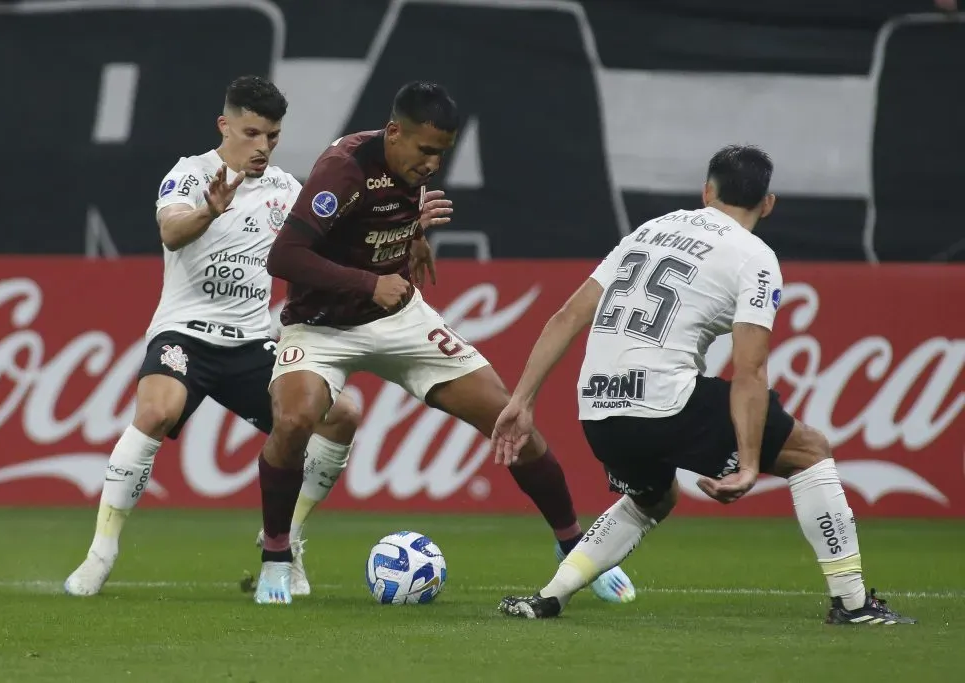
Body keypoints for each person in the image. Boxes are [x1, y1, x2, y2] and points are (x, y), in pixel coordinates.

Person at [492, 145, 916, 625]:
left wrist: (522, 400)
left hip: (597, 409)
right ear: (768, 203)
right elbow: (751, 371)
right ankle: (854, 604)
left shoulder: (650, 229)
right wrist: (750, 463)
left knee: (653, 498)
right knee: (810, 451)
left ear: (706, 192)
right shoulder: (755, 255)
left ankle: (550, 596)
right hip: (661, 402)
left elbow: (567, 316)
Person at [249, 80, 634, 605]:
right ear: (393, 133)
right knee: (295, 419)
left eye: (442, 153)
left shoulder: (408, 167)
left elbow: (378, 218)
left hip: (400, 317)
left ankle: (574, 548)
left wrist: (413, 238)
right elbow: (285, 256)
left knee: (507, 419)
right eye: (426, 150)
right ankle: (276, 554)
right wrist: (369, 282)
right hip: (320, 326)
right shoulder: (343, 169)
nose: (432, 164)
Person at [64, 75, 362, 597]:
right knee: (155, 412)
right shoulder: (190, 174)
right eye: (252, 133)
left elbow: (331, 243)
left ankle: (287, 539)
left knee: (341, 417)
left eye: (272, 136)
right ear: (225, 125)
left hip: (251, 344)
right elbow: (171, 231)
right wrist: (210, 210)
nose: (263, 146)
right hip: (186, 334)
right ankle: (100, 553)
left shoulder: (286, 190)